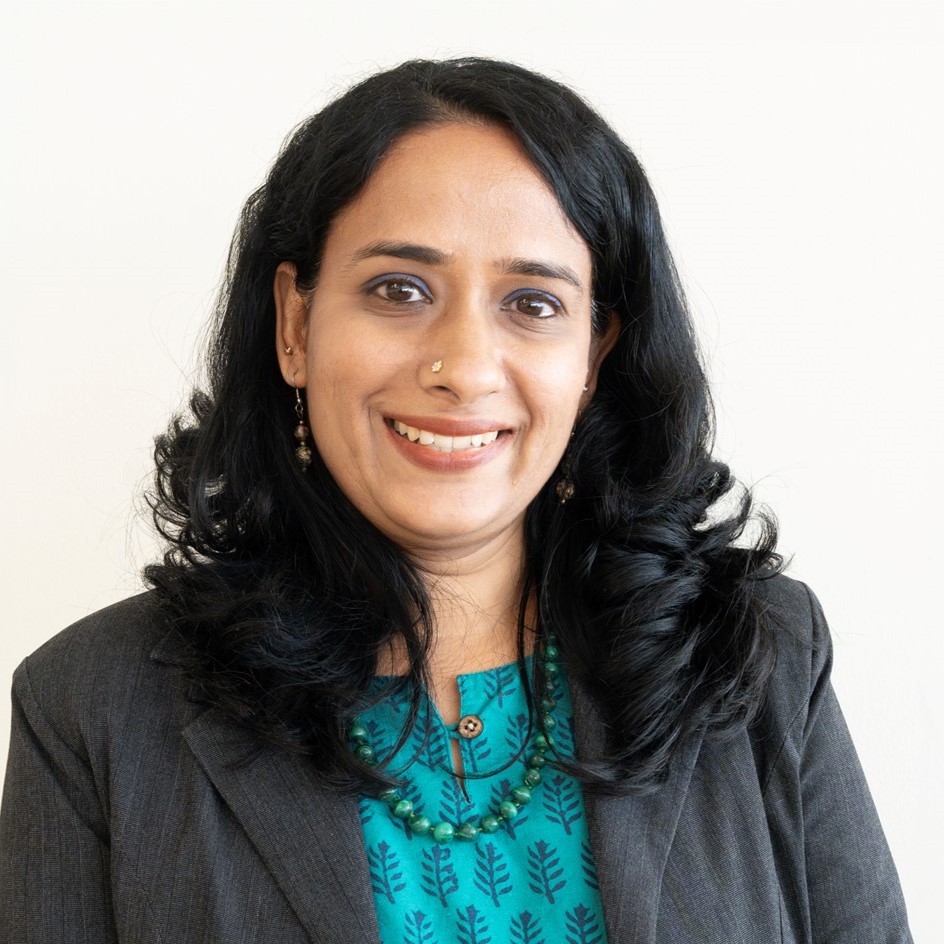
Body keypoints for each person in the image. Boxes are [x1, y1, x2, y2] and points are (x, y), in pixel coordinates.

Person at [0, 57, 912, 943]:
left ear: (593, 356)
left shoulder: (760, 659)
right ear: (295, 325)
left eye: (533, 303)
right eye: (400, 290)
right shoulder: (89, 710)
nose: (465, 368)